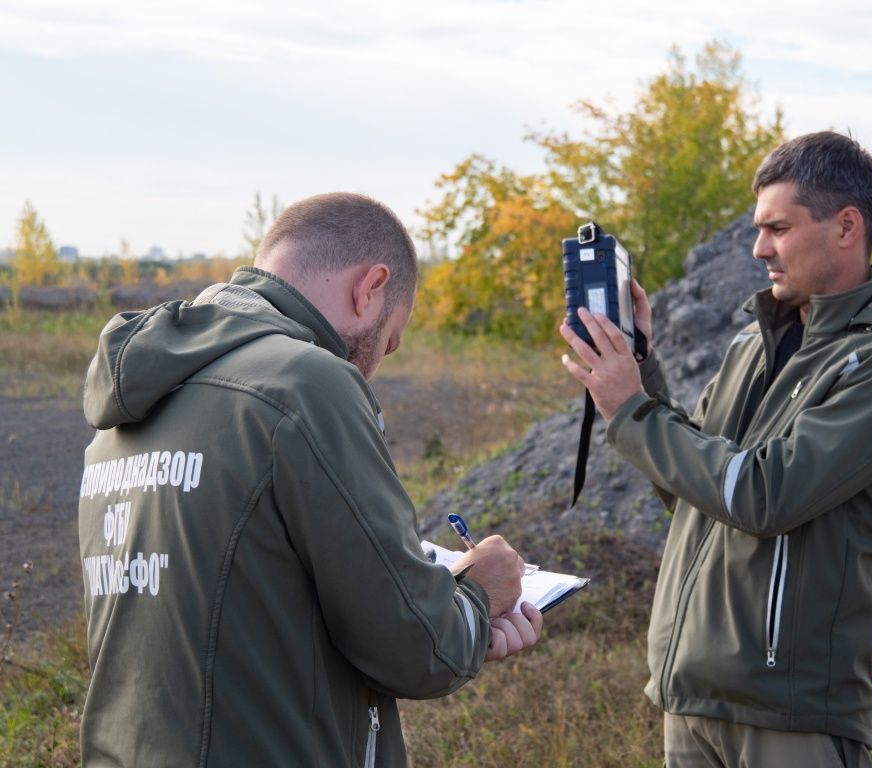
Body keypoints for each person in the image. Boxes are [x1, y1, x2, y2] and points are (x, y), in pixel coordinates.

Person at [78, 192, 543, 767]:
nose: (374, 365)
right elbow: (421, 649)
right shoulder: (309, 384)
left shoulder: (125, 409)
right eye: (389, 341)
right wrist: (478, 593)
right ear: (369, 288)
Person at [560, 131, 872, 767]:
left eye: (777, 228)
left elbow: (763, 495)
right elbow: (694, 490)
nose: (758, 248)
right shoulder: (754, 343)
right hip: (691, 700)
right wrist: (644, 372)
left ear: (847, 226)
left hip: (790, 713)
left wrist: (631, 409)